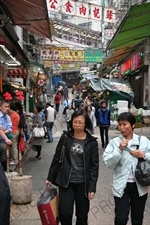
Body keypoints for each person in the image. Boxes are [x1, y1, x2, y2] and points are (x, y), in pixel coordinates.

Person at [46, 109, 99, 225]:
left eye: (80, 122)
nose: (77, 125)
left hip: (83, 184)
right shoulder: (65, 137)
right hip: (66, 182)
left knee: (82, 215)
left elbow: (94, 167)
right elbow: (57, 157)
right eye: (75, 122)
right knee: (65, 213)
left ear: (86, 124)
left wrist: (92, 187)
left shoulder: (92, 142)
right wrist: (50, 177)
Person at [103, 112, 150, 225]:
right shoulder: (115, 142)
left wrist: (143, 155)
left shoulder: (143, 141)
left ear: (133, 125)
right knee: (121, 219)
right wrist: (119, 149)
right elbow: (108, 163)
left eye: (125, 124)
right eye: (120, 124)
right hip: (121, 186)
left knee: (137, 219)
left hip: (140, 186)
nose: (122, 127)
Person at [0, 100, 12, 171]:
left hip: (3, 140)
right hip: (3, 140)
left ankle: (4, 170)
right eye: (5, 106)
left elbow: (9, 129)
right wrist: (6, 139)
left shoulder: (7, 117)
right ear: (1, 107)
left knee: (4, 154)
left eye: (8, 106)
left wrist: (3, 131)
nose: (7, 108)